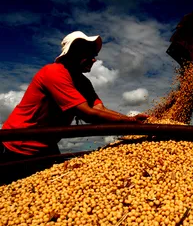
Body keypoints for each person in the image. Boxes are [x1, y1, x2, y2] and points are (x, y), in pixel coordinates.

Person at [0, 31, 148, 162]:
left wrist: (131, 120)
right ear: (75, 53)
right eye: (91, 54)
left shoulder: (83, 82)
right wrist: (129, 122)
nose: (94, 59)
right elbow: (88, 114)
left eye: (95, 55)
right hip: (17, 145)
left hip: (46, 145)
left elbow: (99, 108)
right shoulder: (54, 73)